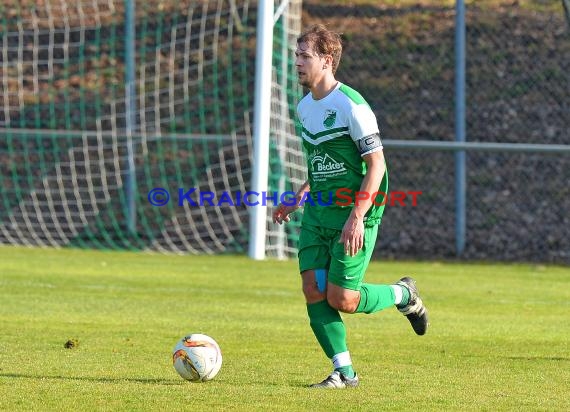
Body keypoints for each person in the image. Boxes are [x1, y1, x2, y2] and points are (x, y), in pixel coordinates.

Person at [272, 24, 429, 389]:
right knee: (313, 289)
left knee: (342, 298)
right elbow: (321, 162)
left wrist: (357, 217)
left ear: (326, 61)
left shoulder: (351, 106)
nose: (296, 62)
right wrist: (300, 195)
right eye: (296, 55)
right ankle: (344, 372)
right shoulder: (304, 107)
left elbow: (377, 165)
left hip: (354, 213)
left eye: (304, 56)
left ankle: (403, 294)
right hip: (318, 213)